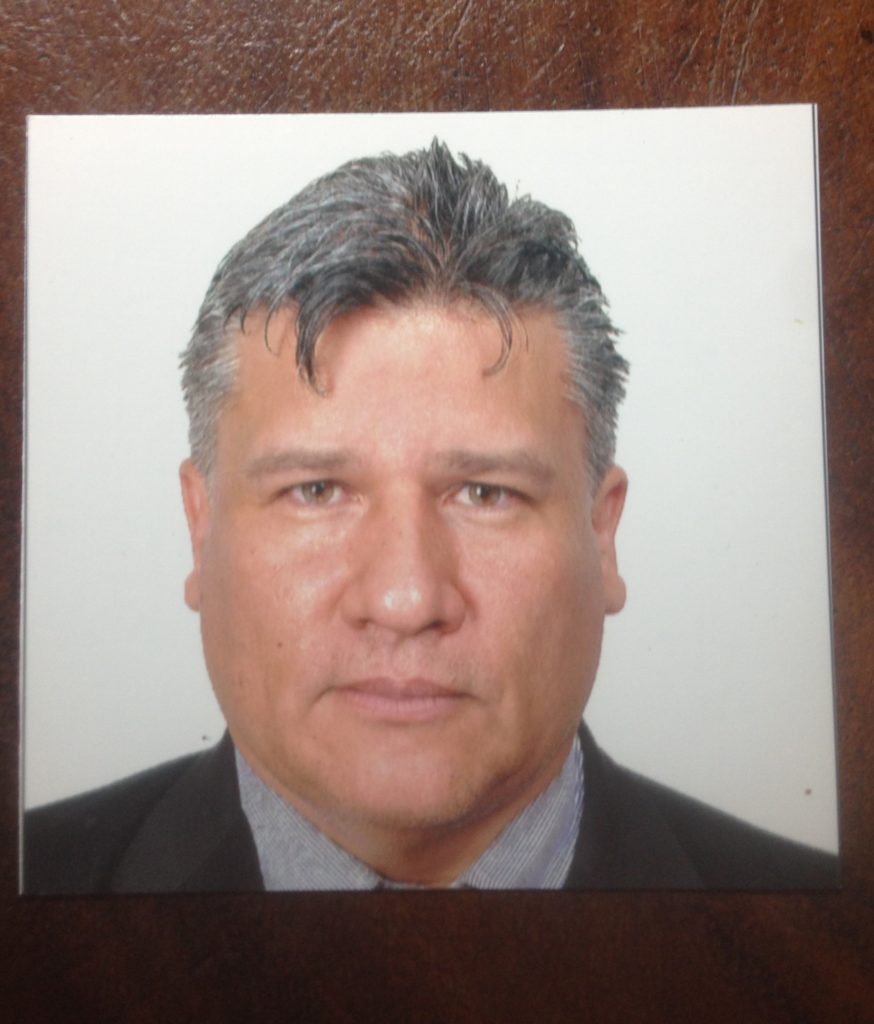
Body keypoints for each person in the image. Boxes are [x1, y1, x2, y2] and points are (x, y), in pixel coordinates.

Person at [23, 140, 837, 893]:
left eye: (486, 493)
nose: (406, 601)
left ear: (603, 533)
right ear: (201, 528)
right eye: (316, 490)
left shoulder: (823, 934)